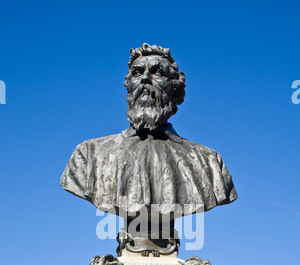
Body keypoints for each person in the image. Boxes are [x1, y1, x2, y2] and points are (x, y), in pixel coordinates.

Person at [60, 43, 237, 244]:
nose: (145, 79)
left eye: (156, 72)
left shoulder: (208, 161)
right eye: (137, 73)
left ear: (174, 88)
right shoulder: (90, 154)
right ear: (128, 86)